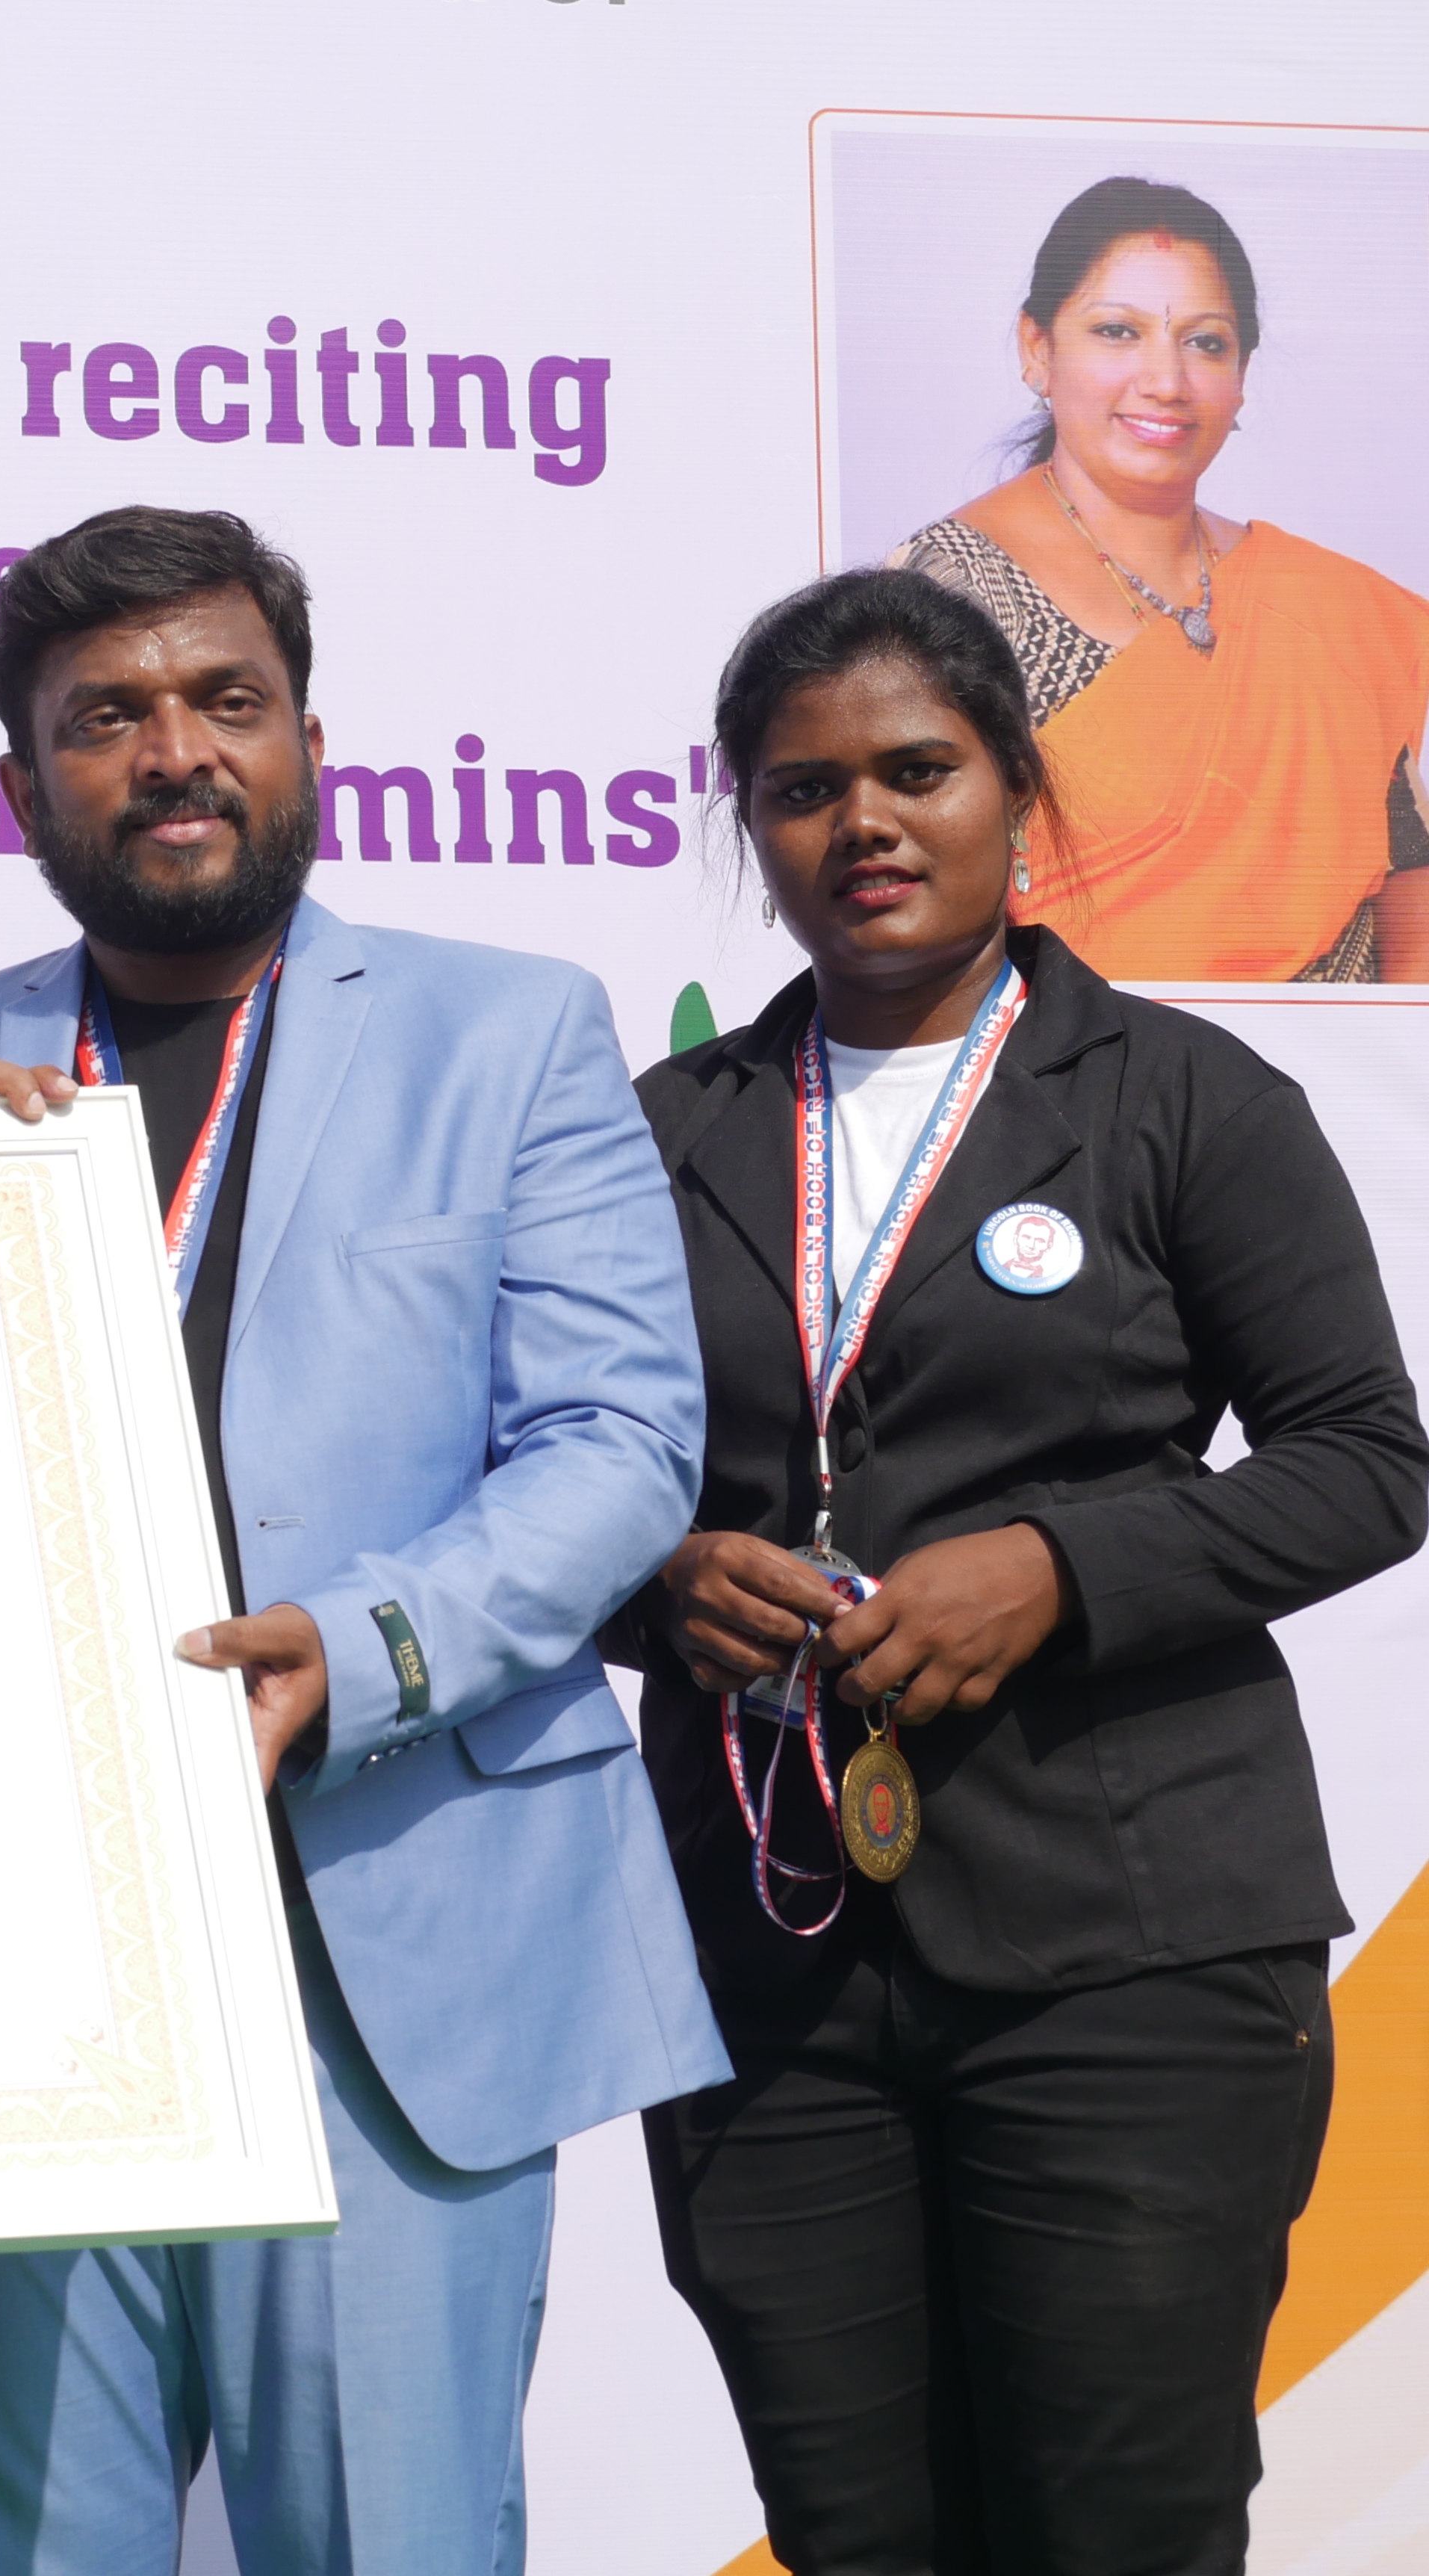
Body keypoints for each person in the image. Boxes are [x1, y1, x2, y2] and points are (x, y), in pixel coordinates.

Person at [0, 505, 728, 2575]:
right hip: (5, 1957)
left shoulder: (509, 1029)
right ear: (20, 782)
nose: (174, 752)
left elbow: (615, 1446)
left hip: (378, 1915)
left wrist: (355, 1647)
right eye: (106, 717)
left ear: (310, 739)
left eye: (224, 700)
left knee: (386, 2539)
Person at [616, 567, 1427, 2572]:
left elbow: (1365, 1460)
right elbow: (539, 1487)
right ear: (749, 825)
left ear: (1014, 786)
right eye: (804, 789)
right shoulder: (655, 1135)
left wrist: (1062, 1567)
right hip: (769, 1963)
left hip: (1131, 1950)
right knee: (853, 2532)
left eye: (919, 770)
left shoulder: (1181, 1098)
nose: (865, 823)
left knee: (1113, 2532)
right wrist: (658, 1585)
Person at [890, 175, 1429, 981]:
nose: (1166, 381)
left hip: (1326, 1056)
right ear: (1037, 349)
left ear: (1241, 374)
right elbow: (912, 884)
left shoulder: (1333, 607)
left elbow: (1407, 868)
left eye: (1205, 343)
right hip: (1067, 1051)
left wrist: (1396, 1044)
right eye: (1117, 331)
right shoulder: (949, 590)